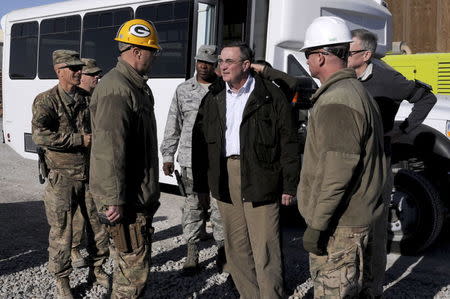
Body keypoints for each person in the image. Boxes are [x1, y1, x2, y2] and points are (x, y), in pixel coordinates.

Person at [192, 41, 299, 298]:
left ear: (247, 65)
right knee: (236, 247)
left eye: (229, 61)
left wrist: (289, 184)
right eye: (221, 61)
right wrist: (200, 185)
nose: (222, 66)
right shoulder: (214, 96)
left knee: (265, 247)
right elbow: (199, 142)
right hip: (226, 174)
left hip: (262, 175)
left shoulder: (270, 95)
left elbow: (289, 141)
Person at [297, 16, 387, 298]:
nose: (307, 61)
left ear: (322, 57)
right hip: (353, 220)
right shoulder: (353, 91)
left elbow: (337, 173)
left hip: (341, 227)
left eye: (309, 55)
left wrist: (317, 226)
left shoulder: (338, 100)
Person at [347, 28, 437, 297]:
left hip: (375, 162)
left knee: (373, 228)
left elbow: (426, 98)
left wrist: (403, 129)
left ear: (366, 54)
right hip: (348, 160)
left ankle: (371, 289)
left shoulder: (387, 78)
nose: (343, 55)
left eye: (348, 52)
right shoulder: (344, 76)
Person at [89, 19, 161, 299]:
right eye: (152, 51)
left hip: (136, 197)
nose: (154, 57)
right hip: (126, 202)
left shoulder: (136, 86)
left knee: (131, 266)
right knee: (132, 276)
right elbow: (109, 148)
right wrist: (113, 198)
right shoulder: (117, 88)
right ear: (138, 51)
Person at [31, 50, 110, 299]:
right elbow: (40, 135)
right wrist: (79, 140)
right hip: (62, 178)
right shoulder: (46, 101)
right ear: (58, 70)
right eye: (73, 68)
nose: (78, 72)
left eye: (80, 68)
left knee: (98, 229)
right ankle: (62, 281)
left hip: (89, 177)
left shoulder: (86, 99)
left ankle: (96, 269)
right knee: (62, 233)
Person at [160, 45, 225, 273]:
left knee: (219, 207)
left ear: (215, 64)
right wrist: (168, 155)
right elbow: (173, 123)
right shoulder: (183, 89)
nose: (203, 66)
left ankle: (222, 252)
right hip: (189, 160)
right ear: (195, 62)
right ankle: (192, 251)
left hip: (218, 161)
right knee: (192, 206)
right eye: (200, 62)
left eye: (208, 63)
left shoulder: (223, 89)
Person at [71, 58, 105, 269]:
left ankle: (98, 252)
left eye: (97, 74)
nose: (97, 77)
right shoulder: (70, 99)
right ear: (81, 76)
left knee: (94, 210)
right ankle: (74, 248)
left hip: (95, 164)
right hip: (74, 167)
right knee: (75, 213)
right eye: (92, 74)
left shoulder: (97, 98)